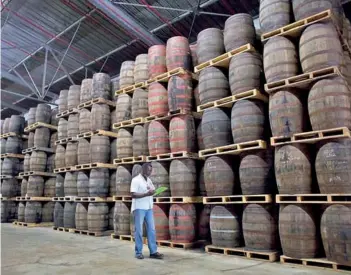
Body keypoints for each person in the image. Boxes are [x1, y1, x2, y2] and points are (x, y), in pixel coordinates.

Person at [130, 162, 164, 260]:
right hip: (139, 208)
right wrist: (146, 194)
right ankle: (138, 252)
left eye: (151, 170)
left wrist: (155, 192)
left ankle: (153, 252)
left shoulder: (149, 180)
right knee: (139, 231)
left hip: (148, 207)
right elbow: (133, 194)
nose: (150, 172)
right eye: (148, 170)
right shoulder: (136, 180)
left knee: (152, 230)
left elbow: (152, 191)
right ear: (143, 169)